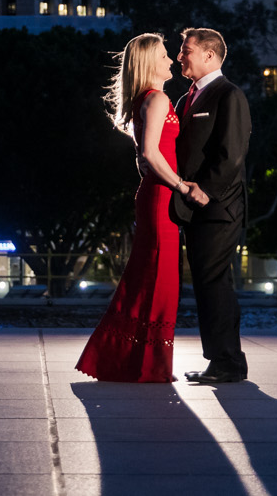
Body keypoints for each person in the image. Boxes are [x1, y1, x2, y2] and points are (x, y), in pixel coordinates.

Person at [75, 33, 203, 383]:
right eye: (164, 55)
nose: (171, 60)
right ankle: (148, 365)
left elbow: (143, 159)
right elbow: (148, 154)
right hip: (161, 196)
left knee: (148, 277)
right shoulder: (157, 99)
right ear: (149, 63)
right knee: (159, 279)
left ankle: (134, 362)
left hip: (153, 194)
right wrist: (182, 186)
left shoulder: (142, 101)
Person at [169, 26, 251, 384]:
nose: (179, 56)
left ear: (209, 54)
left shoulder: (228, 95)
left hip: (218, 208)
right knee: (208, 282)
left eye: (185, 50)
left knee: (212, 281)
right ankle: (223, 360)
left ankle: (228, 363)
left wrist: (205, 190)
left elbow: (232, 154)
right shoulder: (186, 99)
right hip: (193, 207)